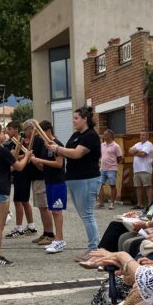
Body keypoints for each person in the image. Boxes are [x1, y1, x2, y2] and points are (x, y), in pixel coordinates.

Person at [52, 107, 102, 262]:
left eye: (76, 118)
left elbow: (76, 154)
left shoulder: (91, 136)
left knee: (87, 215)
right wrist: (56, 149)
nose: (73, 121)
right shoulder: (76, 135)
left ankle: (94, 250)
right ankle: (93, 248)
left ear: (85, 119)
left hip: (87, 179)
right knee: (84, 215)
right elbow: (67, 151)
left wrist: (58, 148)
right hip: (74, 179)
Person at [0, 123, 31, 266]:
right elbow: (19, 167)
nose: (5, 134)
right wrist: (27, 156)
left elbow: (7, 168)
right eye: (3, 132)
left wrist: (19, 157)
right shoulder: (1, 150)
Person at [31, 120, 67, 254]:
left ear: (48, 131)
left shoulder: (57, 145)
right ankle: (57, 239)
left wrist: (40, 160)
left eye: (41, 134)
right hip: (49, 182)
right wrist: (35, 161)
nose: (40, 138)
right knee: (53, 211)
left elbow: (59, 164)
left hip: (58, 182)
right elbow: (43, 167)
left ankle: (60, 240)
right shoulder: (45, 147)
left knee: (57, 211)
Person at [28, 120, 55, 246]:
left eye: (39, 132)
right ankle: (46, 232)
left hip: (42, 178)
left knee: (44, 207)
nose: (38, 134)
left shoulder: (46, 142)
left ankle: (50, 234)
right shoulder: (41, 142)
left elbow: (45, 164)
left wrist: (35, 160)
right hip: (38, 177)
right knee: (41, 207)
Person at [98, 129, 123, 209]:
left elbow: (120, 157)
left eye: (106, 135)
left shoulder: (116, 146)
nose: (104, 136)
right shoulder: (102, 145)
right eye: (104, 135)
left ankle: (112, 203)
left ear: (110, 136)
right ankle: (101, 203)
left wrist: (113, 164)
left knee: (112, 186)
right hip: (102, 169)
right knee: (99, 185)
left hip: (112, 169)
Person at [129, 130, 153, 207]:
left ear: (147, 136)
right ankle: (139, 204)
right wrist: (138, 151)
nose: (141, 136)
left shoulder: (149, 144)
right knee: (138, 187)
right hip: (136, 169)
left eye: (143, 135)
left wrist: (135, 152)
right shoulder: (137, 144)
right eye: (141, 135)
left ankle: (150, 204)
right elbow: (130, 151)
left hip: (145, 168)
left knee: (148, 186)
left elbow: (143, 154)